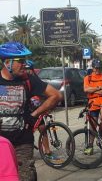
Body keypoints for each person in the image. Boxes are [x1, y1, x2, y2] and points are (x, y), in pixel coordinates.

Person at [0, 42, 62, 181]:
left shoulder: (29, 79)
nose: (24, 64)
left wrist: (34, 114)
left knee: (25, 176)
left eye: (24, 60)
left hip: (22, 141)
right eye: (20, 61)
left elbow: (56, 95)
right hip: (1, 142)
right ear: (7, 62)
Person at [83, 59, 102, 154]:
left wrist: (93, 90)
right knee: (92, 125)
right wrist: (99, 88)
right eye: (96, 68)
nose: (97, 70)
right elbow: (86, 90)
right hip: (93, 103)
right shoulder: (88, 78)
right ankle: (90, 146)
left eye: (99, 68)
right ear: (93, 68)